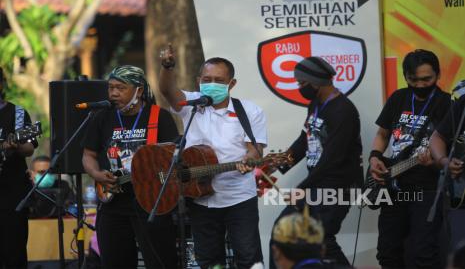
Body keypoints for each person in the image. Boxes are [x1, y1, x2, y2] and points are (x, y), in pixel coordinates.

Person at [159, 46, 267, 268]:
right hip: (201, 198)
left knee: (248, 258)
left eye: (219, 80)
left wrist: (249, 158)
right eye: (207, 79)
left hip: (239, 198)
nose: (212, 83)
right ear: (198, 80)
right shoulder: (191, 105)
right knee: (208, 261)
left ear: (232, 84)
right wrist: (167, 67)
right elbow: (168, 91)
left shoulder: (250, 111)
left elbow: (255, 150)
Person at [269, 56, 363, 268]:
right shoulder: (316, 104)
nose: (299, 87)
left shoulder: (343, 111)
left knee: (322, 240)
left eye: (302, 83)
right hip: (316, 185)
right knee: (281, 231)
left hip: (336, 187)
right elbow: (304, 141)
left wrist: (302, 188)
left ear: (317, 82)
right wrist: (276, 165)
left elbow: (332, 159)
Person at [81, 65, 179, 268]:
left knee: (160, 262)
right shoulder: (101, 117)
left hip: (150, 204)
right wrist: (97, 174)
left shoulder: (158, 117)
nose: (114, 93)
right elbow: (88, 155)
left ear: (139, 90)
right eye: (110, 88)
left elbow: (172, 157)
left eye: (121, 88)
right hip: (112, 205)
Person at [369, 49, 450, 268]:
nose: (421, 85)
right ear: (405, 76)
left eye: (427, 79)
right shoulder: (398, 98)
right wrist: (375, 158)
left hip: (427, 189)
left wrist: (435, 162)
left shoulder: (447, 104)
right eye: (414, 80)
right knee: (387, 253)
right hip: (393, 185)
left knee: (424, 254)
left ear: (438, 75)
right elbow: (382, 135)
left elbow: (450, 153)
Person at [0, 66, 38, 267]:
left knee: (14, 254)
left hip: (11, 195)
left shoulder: (17, 113)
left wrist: (16, 145)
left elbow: (30, 148)